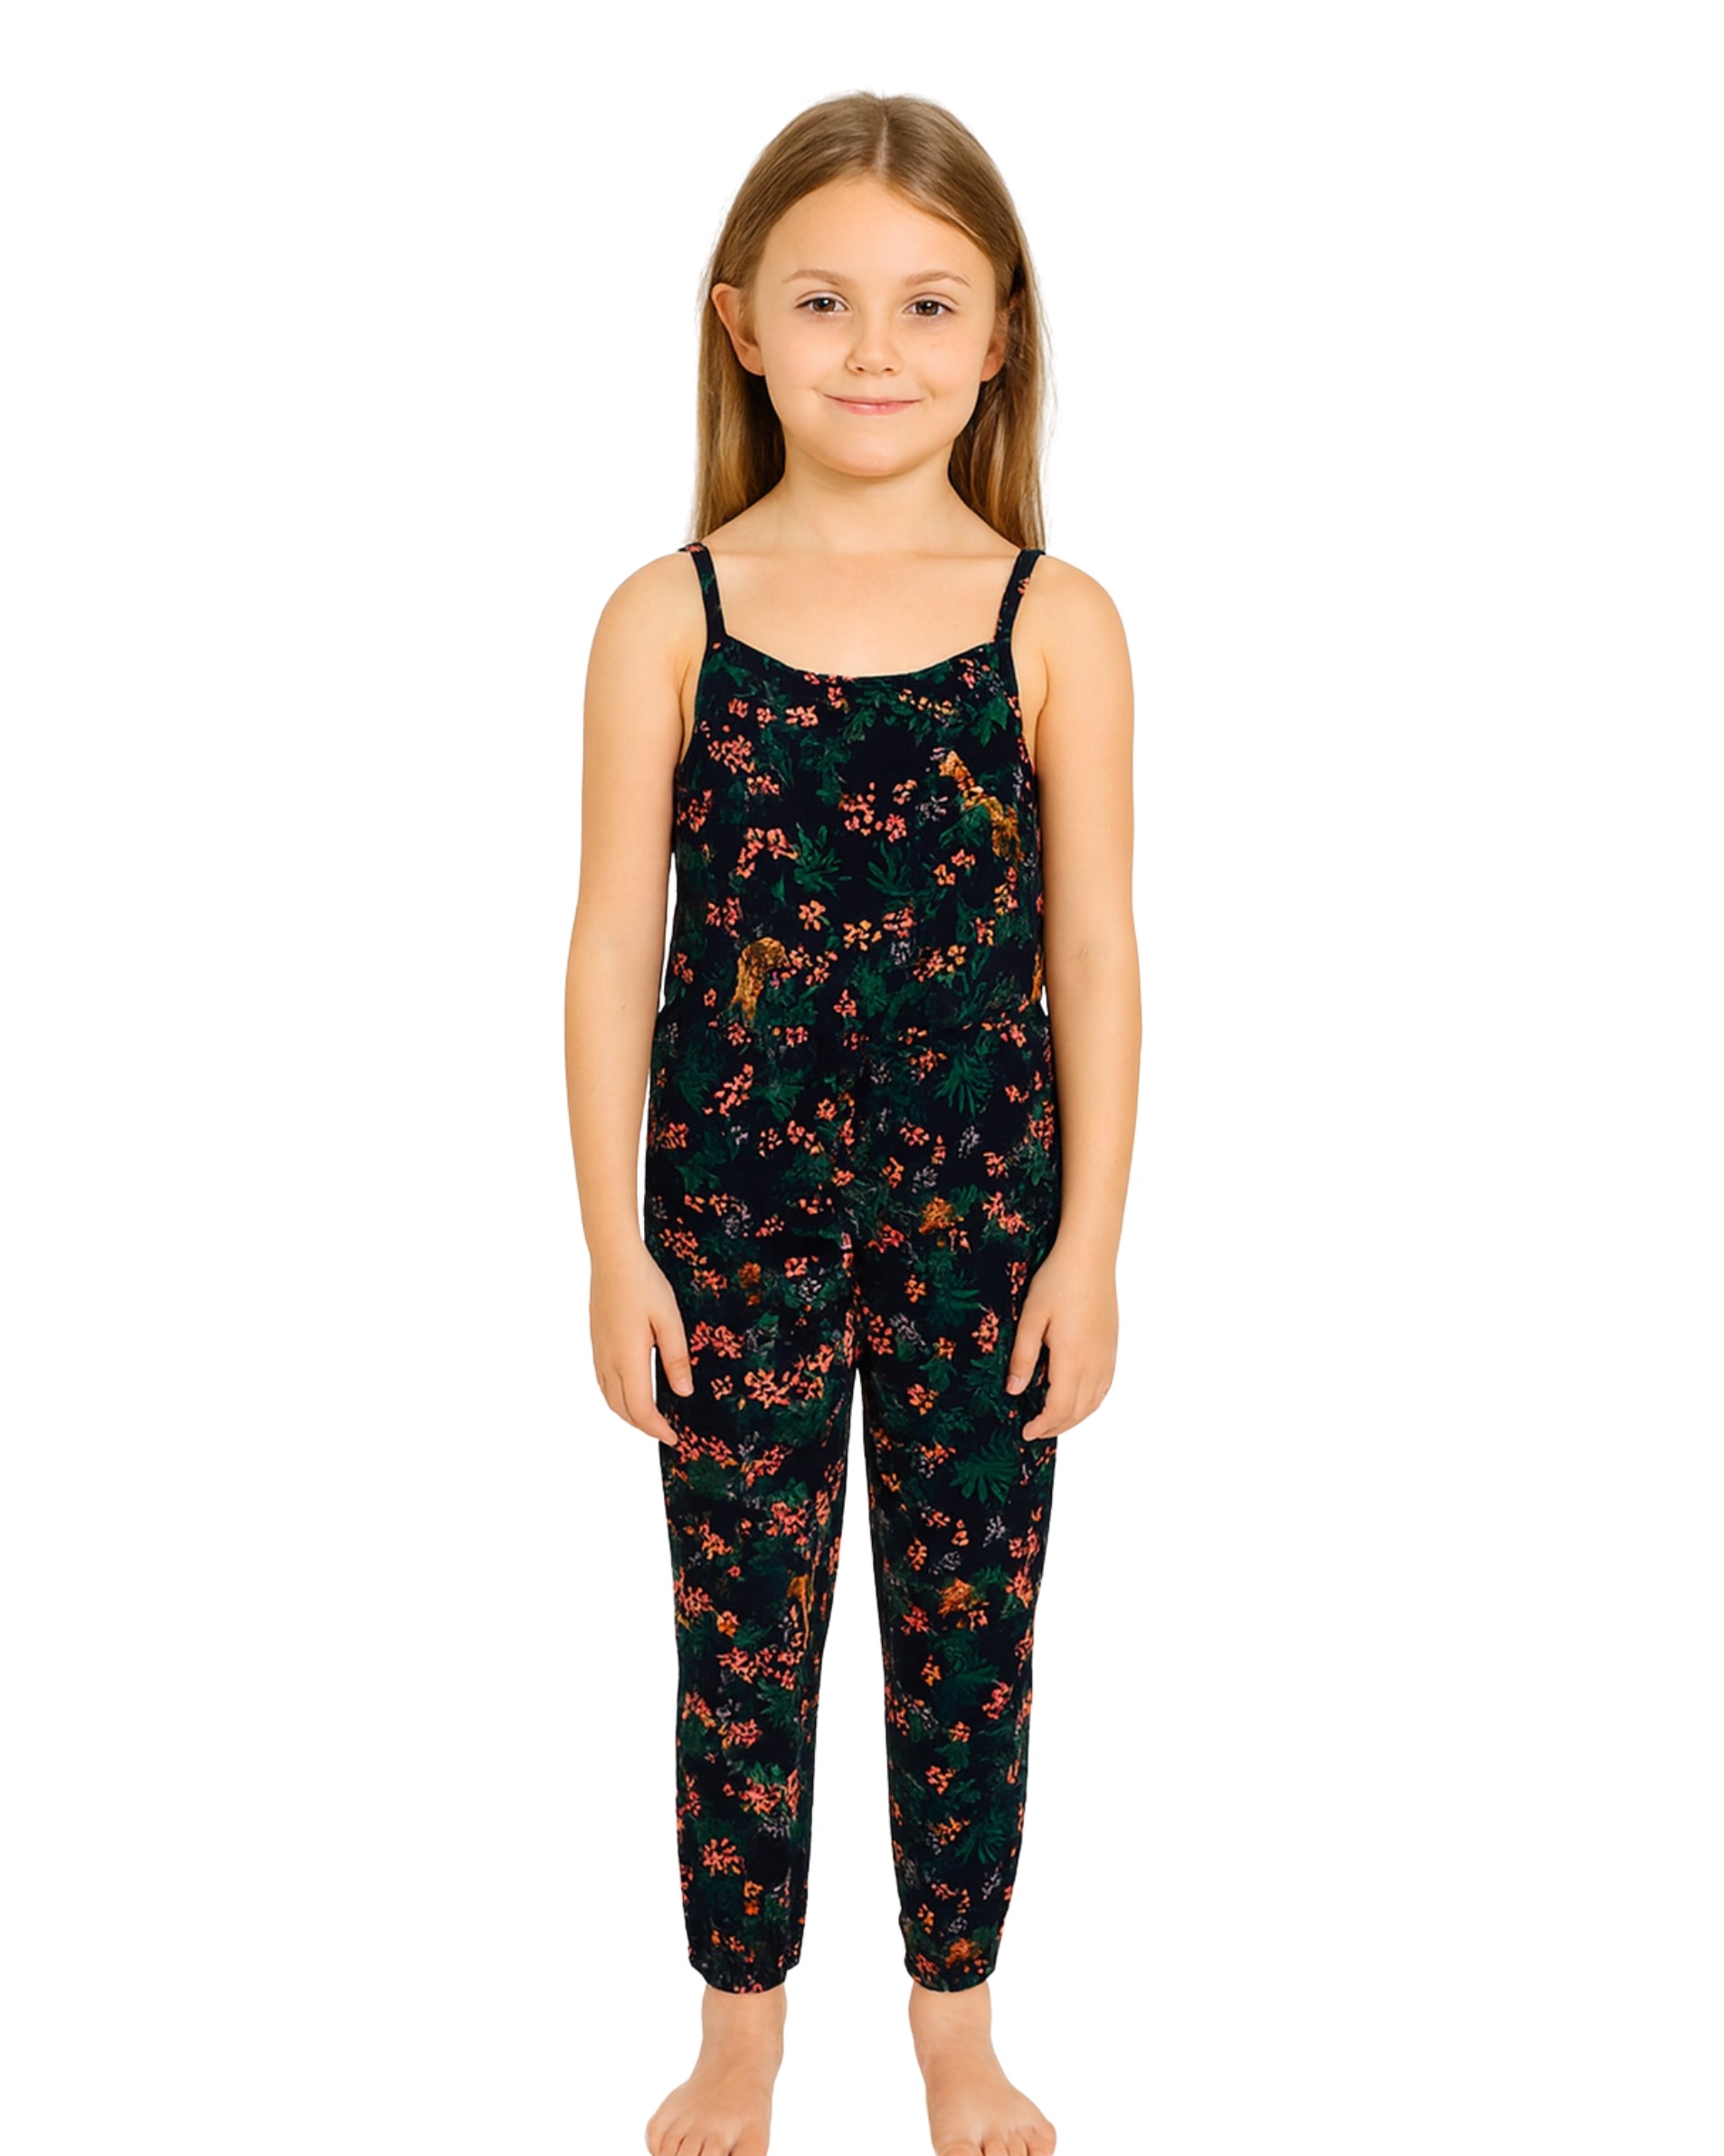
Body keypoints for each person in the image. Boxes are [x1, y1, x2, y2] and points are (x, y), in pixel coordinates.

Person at [564, 89, 1139, 2156]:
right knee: (741, 1626)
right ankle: (739, 2029)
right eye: (820, 301)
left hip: (987, 1221)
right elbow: (610, 943)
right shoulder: (668, 617)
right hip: (726, 1222)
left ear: (998, 335)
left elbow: (1095, 949)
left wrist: (1088, 1247)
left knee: (967, 1629)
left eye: (922, 303)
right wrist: (610, 1244)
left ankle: (952, 2028)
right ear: (739, 322)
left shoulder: (1052, 621)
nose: (871, 348)